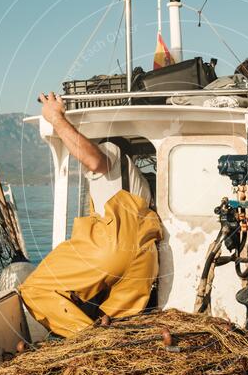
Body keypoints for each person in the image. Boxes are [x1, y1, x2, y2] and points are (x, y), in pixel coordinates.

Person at [18, 92, 162, 337]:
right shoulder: (138, 182)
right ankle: (107, 346)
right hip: (144, 260)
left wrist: (56, 118)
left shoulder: (109, 148)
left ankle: (89, 342)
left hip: (112, 246)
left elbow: (94, 161)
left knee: (35, 289)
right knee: (116, 328)